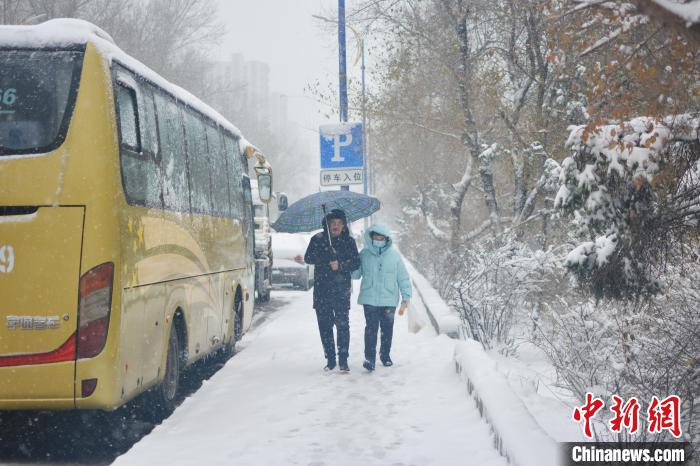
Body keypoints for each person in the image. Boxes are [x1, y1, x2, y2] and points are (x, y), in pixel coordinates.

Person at [304, 209, 360, 372]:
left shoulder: (349, 241)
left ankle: (343, 359)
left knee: (343, 325)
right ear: (327, 225)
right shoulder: (317, 239)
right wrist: (325, 256)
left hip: (341, 289)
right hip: (322, 290)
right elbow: (308, 258)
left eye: (339, 223)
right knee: (325, 326)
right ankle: (330, 359)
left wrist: (340, 264)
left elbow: (356, 263)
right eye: (332, 223)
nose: (335, 226)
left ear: (343, 226)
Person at [352, 223, 412, 372]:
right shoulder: (364, 254)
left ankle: (385, 355)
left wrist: (406, 296)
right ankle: (369, 359)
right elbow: (355, 275)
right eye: (376, 237)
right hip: (369, 298)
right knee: (371, 329)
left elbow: (403, 278)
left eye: (381, 237)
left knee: (387, 329)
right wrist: (351, 261)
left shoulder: (394, 256)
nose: (378, 239)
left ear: (386, 239)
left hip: (389, 299)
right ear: (371, 238)